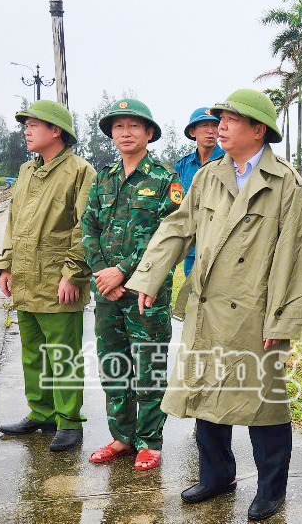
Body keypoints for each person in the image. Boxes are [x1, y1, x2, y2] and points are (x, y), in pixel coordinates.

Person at [125, 89, 302, 521]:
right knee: (205, 394)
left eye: (230, 120)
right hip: (208, 306)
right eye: (219, 119)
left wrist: (281, 317)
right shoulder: (210, 175)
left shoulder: (286, 183)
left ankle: (271, 488)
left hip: (256, 308)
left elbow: (293, 254)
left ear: (257, 129)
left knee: (263, 403)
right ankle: (216, 476)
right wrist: (151, 276)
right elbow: (178, 227)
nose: (220, 126)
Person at [80, 98, 182, 472]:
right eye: (118, 127)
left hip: (145, 292)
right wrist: (102, 272)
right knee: (113, 365)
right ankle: (122, 437)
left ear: (149, 133)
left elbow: (167, 235)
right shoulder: (103, 177)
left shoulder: (164, 179)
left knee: (149, 365)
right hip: (107, 292)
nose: (125, 133)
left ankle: (150, 441)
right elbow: (88, 226)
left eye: (133, 126)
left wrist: (122, 270)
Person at [0, 100, 95, 452]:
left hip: (57, 280)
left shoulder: (80, 171)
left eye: (34, 125)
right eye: (25, 125)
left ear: (56, 131)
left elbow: (86, 227)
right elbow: (13, 222)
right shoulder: (26, 172)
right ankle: (42, 412)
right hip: (25, 279)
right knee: (33, 353)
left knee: (62, 354)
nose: (26, 130)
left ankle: (68, 422)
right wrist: (5, 265)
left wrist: (73, 274)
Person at [174, 106, 225, 277]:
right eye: (204, 125)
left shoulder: (229, 161)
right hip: (192, 244)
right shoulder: (183, 165)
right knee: (194, 294)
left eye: (214, 125)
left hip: (220, 242)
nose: (210, 131)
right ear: (192, 131)